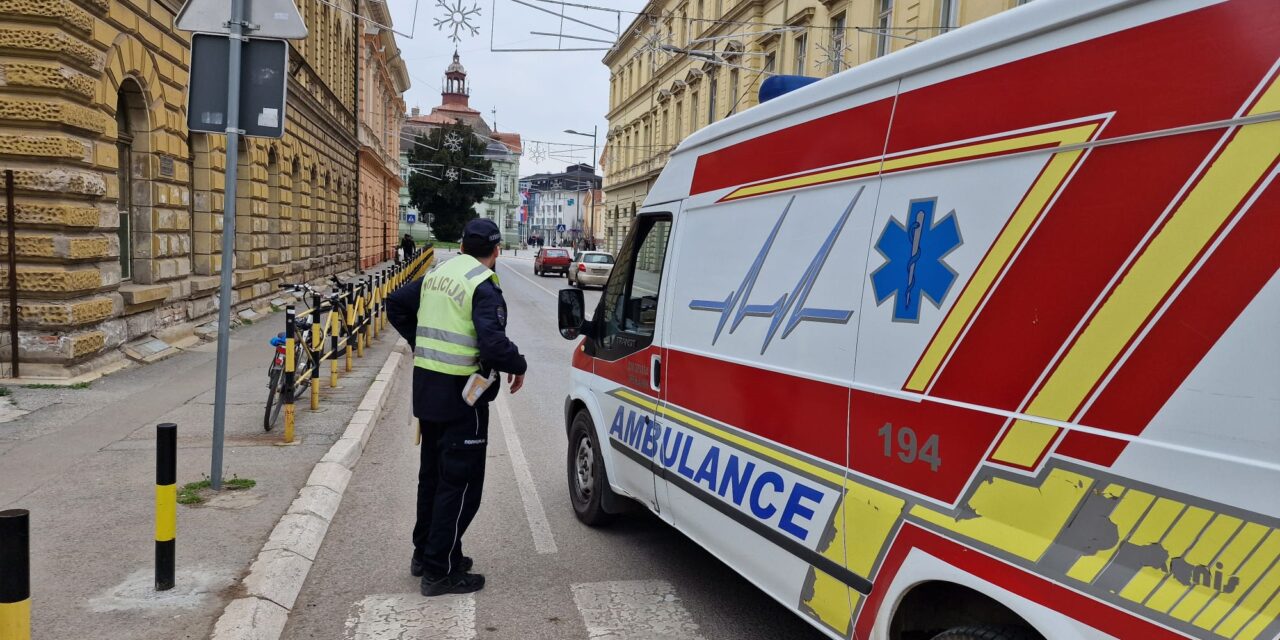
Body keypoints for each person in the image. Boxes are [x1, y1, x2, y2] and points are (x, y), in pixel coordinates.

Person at [386, 218, 527, 597]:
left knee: (432, 476)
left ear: (462, 246)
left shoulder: (440, 272)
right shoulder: (483, 285)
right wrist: (519, 365)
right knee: (461, 484)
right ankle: (440, 570)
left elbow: (396, 304)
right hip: (463, 397)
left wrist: (422, 345)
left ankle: (426, 553)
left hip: (427, 389)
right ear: (496, 252)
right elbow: (494, 344)